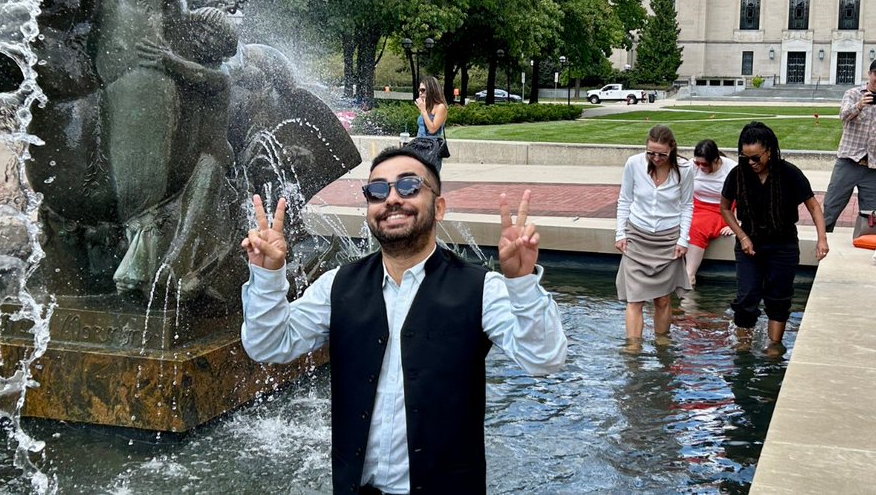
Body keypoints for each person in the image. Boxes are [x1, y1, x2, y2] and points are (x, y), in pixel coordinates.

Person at [241, 145, 567, 494]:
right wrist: (267, 277)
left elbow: (544, 360)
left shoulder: (481, 288)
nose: (391, 199)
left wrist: (522, 284)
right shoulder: (337, 285)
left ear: (438, 206)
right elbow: (268, 345)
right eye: (377, 191)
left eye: (409, 187)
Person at [720, 122, 829, 353]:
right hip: (749, 243)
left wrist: (822, 239)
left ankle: (774, 346)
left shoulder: (789, 173)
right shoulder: (738, 174)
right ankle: (743, 346)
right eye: (745, 157)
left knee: (778, 297)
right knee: (746, 297)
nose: (751, 163)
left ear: (769, 151)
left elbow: (813, 207)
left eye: (756, 158)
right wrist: (742, 236)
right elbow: (725, 208)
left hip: (783, 245)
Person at [614, 125, 695, 346]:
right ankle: (633, 349)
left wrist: (683, 239)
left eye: (662, 154)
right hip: (636, 237)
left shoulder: (686, 169)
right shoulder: (634, 164)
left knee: (662, 298)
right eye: (651, 152)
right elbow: (625, 200)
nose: (656, 158)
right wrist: (620, 233)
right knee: (635, 300)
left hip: (668, 240)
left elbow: (687, 206)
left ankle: (662, 342)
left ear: (672, 149)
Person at [822, 58, 876, 232]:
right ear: (869, 74)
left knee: (872, 216)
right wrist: (859, 105)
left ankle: (863, 244)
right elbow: (843, 116)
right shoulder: (853, 94)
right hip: (849, 161)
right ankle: (821, 242)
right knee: (830, 208)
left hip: (874, 166)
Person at [685, 139, 737, 287]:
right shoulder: (691, 166)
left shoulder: (731, 169)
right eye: (697, 163)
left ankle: (690, 274)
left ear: (716, 160)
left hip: (720, 210)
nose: (700, 167)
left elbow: (745, 197)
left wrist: (735, 223)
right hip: (696, 205)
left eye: (705, 164)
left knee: (696, 226)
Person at [414, 75, 449, 170]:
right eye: (419, 90)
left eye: (423, 90)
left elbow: (433, 129)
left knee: (429, 179)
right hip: (419, 146)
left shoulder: (440, 107)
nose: (420, 93)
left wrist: (423, 111)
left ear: (432, 89)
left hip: (431, 149)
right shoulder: (426, 106)